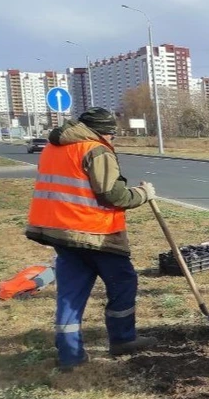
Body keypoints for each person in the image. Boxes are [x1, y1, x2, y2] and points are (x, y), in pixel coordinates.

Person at [25, 107, 157, 371]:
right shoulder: (95, 149)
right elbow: (113, 194)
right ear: (104, 132)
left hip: (59, 232)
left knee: (70, 294)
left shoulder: (52, 148)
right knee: (123, 282)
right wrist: (143, 193)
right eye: (112, 135)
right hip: (96, 232)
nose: (112, 140)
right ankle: (122, 339)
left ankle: (69, 356)